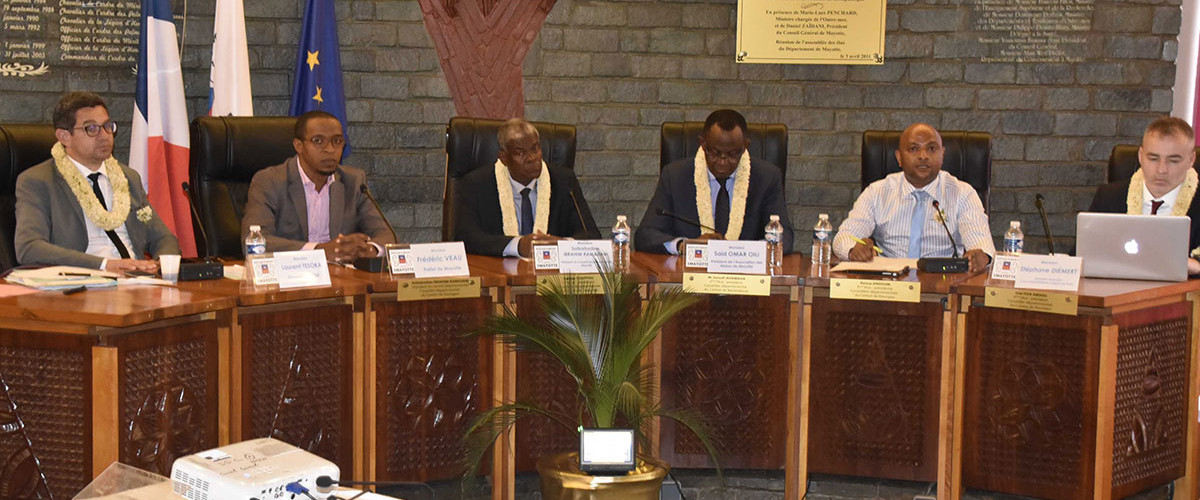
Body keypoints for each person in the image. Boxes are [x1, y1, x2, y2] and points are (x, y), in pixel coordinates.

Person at [15, 91, 179, 272]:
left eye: (107, 126)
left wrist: (160, 266)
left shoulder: (128, 177)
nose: (104, 135)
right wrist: (105, 265)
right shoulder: (38, 181)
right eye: (91, 128)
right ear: (64, 137)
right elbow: (29, 248)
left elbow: (164, 238)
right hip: (83, 282)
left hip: (138, 281)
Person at [833, 123, 994, 272]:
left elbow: (982, 244)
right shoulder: (878, 192)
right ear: (899, 157)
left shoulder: (963, 193)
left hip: (942, 282)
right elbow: (843, 238)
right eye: (914, 149)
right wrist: (853, 250)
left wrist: (982, 257)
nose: (923, 156)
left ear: (942, 154)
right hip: (888, 283)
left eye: (931, 149)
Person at [635, 109, 794, 254]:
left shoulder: (767, 177)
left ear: (745, 146)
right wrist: (684, 246)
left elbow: (784, 238)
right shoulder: (675, 176)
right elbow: (645, 235)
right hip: (688, 278)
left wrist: (745, 252)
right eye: (715, 153)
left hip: (746, 278)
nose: (722, 162)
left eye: (732, 154)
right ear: (703, 144)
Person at [241, 111, 395, 260]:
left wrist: (369, 250)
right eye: (318, 141)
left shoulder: (354, 181)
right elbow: (254, 242)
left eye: (337, 141)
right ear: (298, 146)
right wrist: (319, 250)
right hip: (289, 276)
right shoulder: (269, 181)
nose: (330, 149)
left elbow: (387, 235)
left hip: (340, 277)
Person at [453, 118, 600, 257]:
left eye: (535, 148)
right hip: (501, 274)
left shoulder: (564, 181)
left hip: (552, 277)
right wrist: (518, 245)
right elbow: (465, 238)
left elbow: (592, 235)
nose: (532, 158)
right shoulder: (476, 184)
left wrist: (561, 245)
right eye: (520, 152)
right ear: (503, 158)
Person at [1088, 116, 1200, 274]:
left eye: (1173, 161)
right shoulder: (1108, 197)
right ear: (1140, 156)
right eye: (1153, 158)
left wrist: (1196, 266)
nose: (1162, 170)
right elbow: (1080, 256)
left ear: (1191, 159)